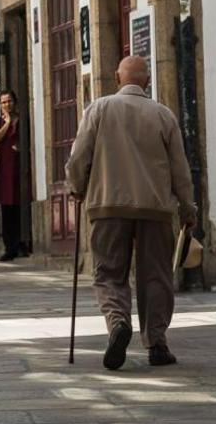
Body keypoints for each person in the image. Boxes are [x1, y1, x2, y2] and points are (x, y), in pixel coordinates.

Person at [66, 56, 196, 370]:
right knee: (156, 276)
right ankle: (157, 344)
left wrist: (76, 186)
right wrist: (188, 207)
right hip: (155, 209)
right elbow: (180, 170)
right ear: (147, 82)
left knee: (109, 273)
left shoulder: (98, 109)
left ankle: (118, 322)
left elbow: (79, 155)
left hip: (108, 206)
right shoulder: (164, 115)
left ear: (116, 77)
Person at [0, 90, 29, 261]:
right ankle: (9, 246)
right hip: (5, 167)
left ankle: (22, 243)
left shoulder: (23, 119)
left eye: (9, 101)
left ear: (15, 101)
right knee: (6, 205)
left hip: (19, 166)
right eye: (4, 102)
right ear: (0, 104)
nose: (7, 105)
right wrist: (7, 123)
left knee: (20, 203)